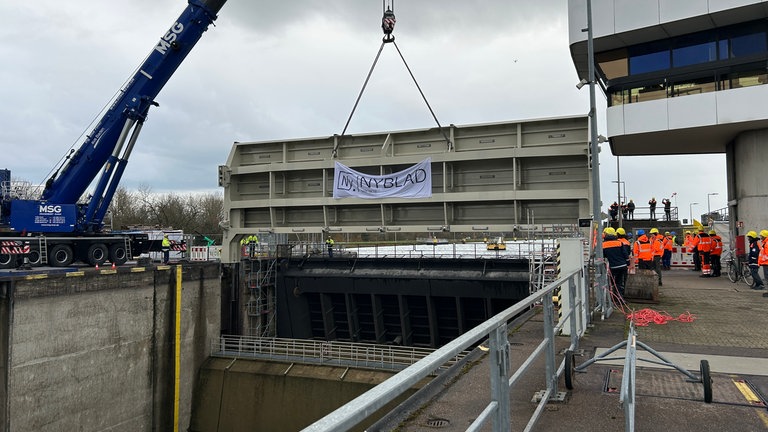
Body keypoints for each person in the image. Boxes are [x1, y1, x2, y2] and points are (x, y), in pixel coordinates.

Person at [603, 227, 629, 299]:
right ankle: (620, 298)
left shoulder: (604, 244)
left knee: (611, 283)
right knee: (620, 282)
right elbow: (625, 254)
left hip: (613, 267)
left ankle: (612, 298)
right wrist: (628, 263)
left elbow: (603, 256)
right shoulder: (619, 243)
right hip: (623, 265)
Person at [760, 230, 768, 296]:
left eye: (761, 236)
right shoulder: (765, 243)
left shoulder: (766, 244)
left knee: (767, 277)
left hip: (766, 263)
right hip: (765, 263)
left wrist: (763, 259)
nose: (760, 237)